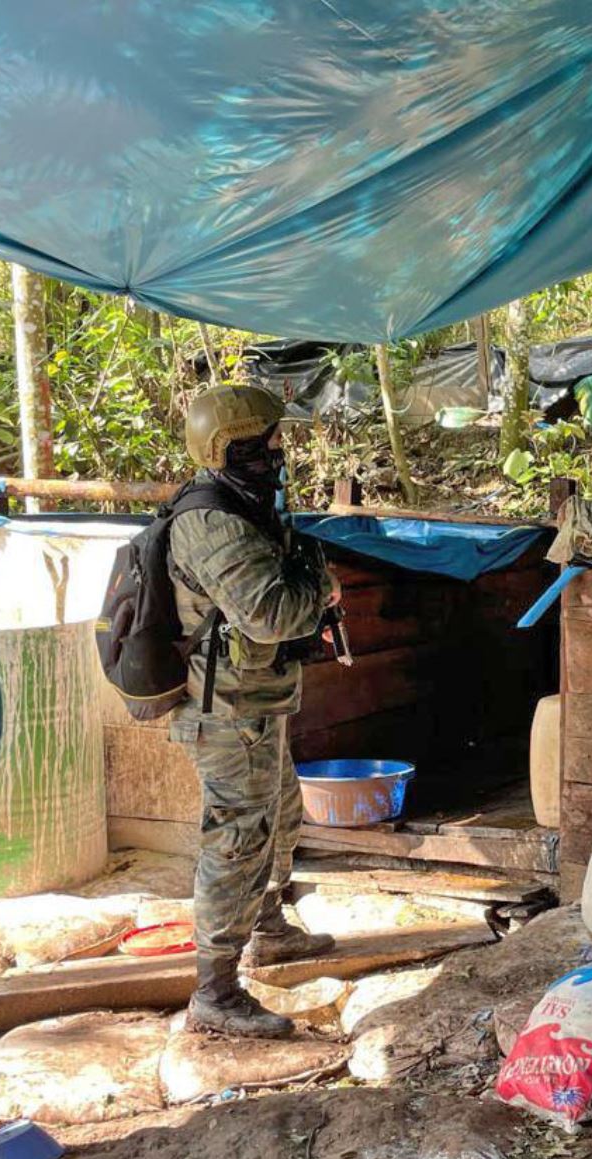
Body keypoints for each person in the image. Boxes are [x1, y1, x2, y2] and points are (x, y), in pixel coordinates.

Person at [170, 383, 340, 1037]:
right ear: (232, 446)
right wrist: (318, 584)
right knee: (238, 840)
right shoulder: (210, 520)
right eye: (270, 441)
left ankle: (268, 927)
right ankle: (215, 992)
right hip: (227, 712)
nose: (280, 451)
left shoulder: (245, 506)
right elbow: (269, 613)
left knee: (280, 817)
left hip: (254, 703)